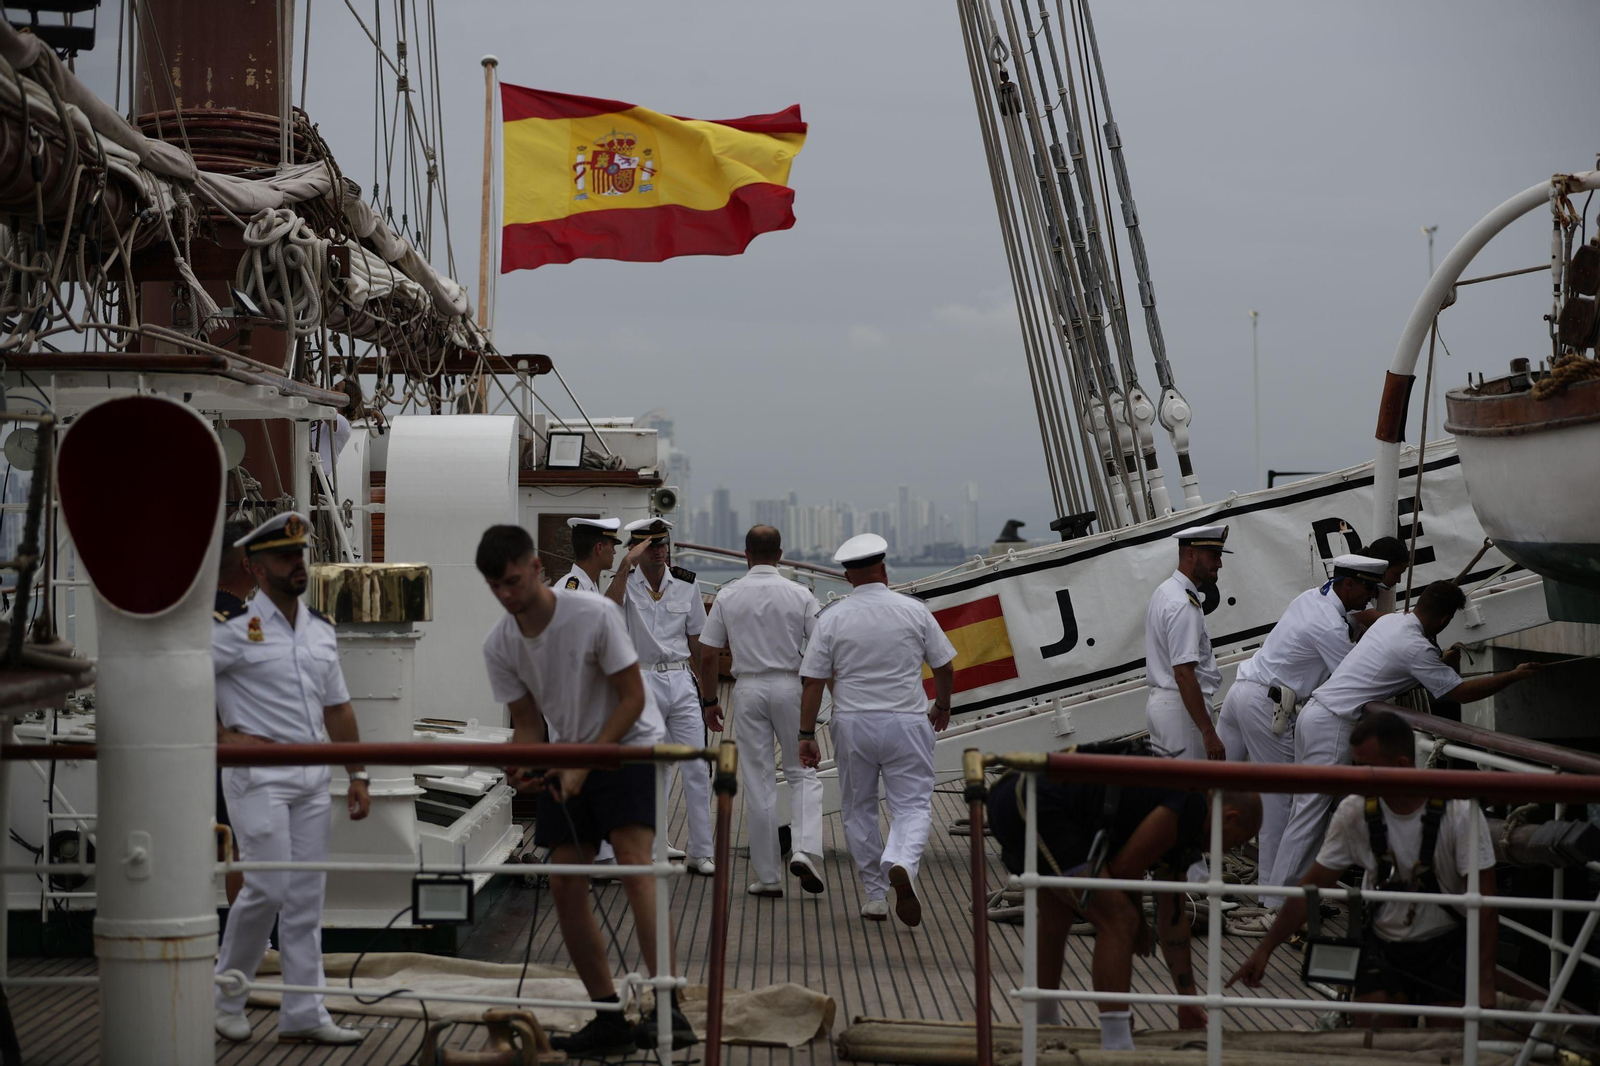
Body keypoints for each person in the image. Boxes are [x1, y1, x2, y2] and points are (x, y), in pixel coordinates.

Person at [475, 524, 694, 1053]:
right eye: (495, 587)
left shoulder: (592, 614)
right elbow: (527, 721)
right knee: (564, 881)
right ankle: (608, 1014)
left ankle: (669, 1007)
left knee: (635, 863)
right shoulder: (499, 644)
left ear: (534, 569)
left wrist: (582, 764)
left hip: (627, 747)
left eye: (512, 581)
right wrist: (524, 764)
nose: (506, 595)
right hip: (568, 754)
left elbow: (632, 699)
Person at [212, 512, 371, 1047]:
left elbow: (339, 709)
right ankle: (226, 998)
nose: (297, 564)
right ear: (255, 569)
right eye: (284, 557)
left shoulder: (320, 631)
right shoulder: (230, 631)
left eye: (300, 555)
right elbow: (181, 687)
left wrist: (358, 774)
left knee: (305, 896)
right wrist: (223, 737)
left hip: (311, 779)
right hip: (258, 778)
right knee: (266, 886)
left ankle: (304, 1011)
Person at [1230, 709, 1496, 1027]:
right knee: (1373, 1028)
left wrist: (1484, 983)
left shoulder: (1460, 815)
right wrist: (1265, 949)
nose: (1356, 777)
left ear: (1400, 766)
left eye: (1366, 768)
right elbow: (1311, 889)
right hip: (1385, 949)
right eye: (1355, 766)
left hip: (1446, 946)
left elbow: (1486, 906)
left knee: (1450, 1040)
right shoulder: (1355, 812)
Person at [1270, 580, 1540, 893]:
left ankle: (1287, 896)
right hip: (1333, 725)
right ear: (1443, 621)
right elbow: (1460, 694)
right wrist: (1513, 676)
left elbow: (1406, 668)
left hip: (1315, 715)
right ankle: (1278, 902)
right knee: (1310, 818)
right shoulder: (1416, 647)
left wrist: (1442, 665)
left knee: (1307, 815)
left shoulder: (1392, 623)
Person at [988, 773, 1262, 1050]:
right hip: (1036, 803)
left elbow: (1173, 917)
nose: (1228, 850)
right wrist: (1139, 922)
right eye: (1237, 841)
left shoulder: (1187, 820)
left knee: (1056, 916)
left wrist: (1187, 1001)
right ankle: (1117, 1043)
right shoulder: (1185, 807)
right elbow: (1123, 869)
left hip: (1021, 795)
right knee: (1119, 920)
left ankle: (1043, 1024)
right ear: (1229, 818)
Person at [1217, 554, 1386, 926]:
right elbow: (1354, 675)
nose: (1370, 600)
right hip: (1268, 707)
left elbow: (1343, 622)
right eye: (1369, 591)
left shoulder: (1312, 597)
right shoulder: (1328, 626)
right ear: (1350, 584)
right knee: (1283, 802)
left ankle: (1193, 879)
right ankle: (1274, 900)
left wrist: (1365, 619)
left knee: (1215, 791)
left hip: (1242, 692)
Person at [798, 533, 956, 925]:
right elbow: (944, 666)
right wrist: (943, 704)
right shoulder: (913, 611)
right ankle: (900, 860)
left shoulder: (831, 617)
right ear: (884, 569)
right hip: (905, 721)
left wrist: (805, 736)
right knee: (913, 805)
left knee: (858, 809)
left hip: (852, 724)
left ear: (848, 577)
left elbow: (814, 681)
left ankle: (874, 895)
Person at [697, 525, 824, 898]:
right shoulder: (801, 594)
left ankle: (768, 877)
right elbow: (820, 649)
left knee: (758, 781)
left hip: (748, 688)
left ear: (745, 555)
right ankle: (801, 848)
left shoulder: (728, 595)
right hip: (789, 685)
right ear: (780, 555)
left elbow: (707, 653)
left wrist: (709, 700)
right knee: (803, 773)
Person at [607, 517, 713, 874]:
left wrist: (709, 693)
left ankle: (702, 851)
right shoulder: (624, 583)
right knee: (648, 767)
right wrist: (625, 565)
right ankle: (651, 847)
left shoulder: (686, 583)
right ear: (637, 549)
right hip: (641, 680)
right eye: (651, 546)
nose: (660, 551)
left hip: (681, 680)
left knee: (697, 764)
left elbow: (697, 638)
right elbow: (607, 611)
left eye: (663, 544)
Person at [1144, 524, 1230, 762]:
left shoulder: (1165, 591)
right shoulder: (1183, 603)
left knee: (1174, 791)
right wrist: (1208, 732)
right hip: (1182, 711)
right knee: (1193, 793)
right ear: (1190, 554)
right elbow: (1183, 673)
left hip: (1162, 705)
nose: (1219, 563)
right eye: (1214, 556)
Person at [214, 516, 255, 908]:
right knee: (244, 851)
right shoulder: (242, 622)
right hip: (234, 757)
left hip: (198, 754)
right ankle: (255, 946)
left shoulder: (195, 615)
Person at [560, 517, 621, 593]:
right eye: (612, 546)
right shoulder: (572, 591)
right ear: (599, 548)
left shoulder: (589, 584)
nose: (614, 552)